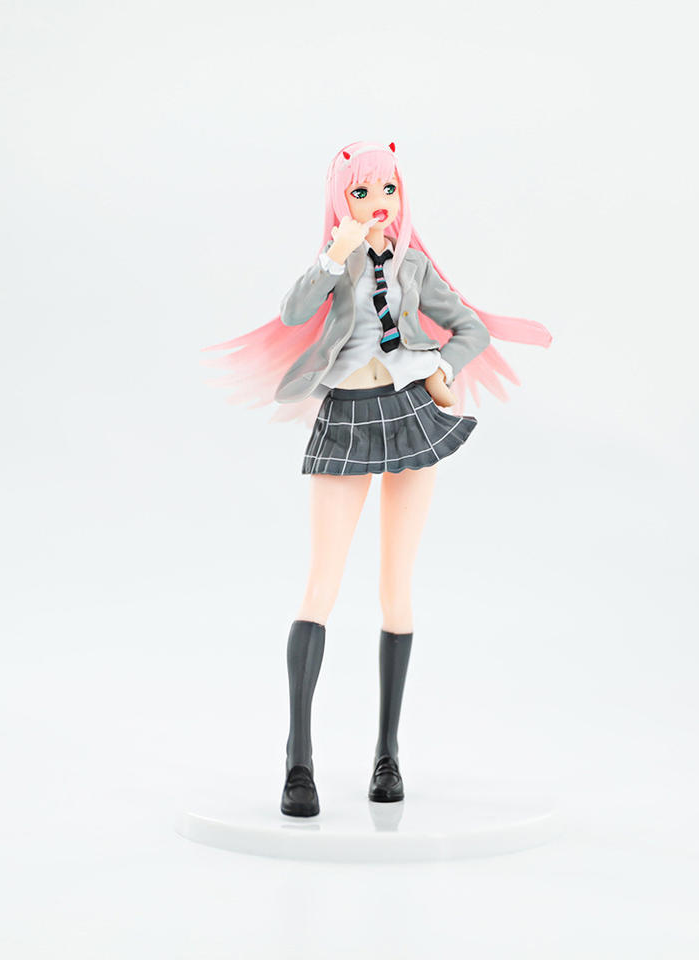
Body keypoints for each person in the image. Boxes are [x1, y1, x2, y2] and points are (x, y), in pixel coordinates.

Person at [202, 140, 553, 817]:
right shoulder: (336, 263)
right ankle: (298, 760)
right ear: (340, 200)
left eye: (386, 189)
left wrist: (442, 369)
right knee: (322, 585)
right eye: (360, 192)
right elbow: (293, 313)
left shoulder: (414, 265)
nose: (376, 202)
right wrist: (335, 253)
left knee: (396, 586)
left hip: (410, 412)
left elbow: (470, 328)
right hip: (347, 414)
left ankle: (387, 753)